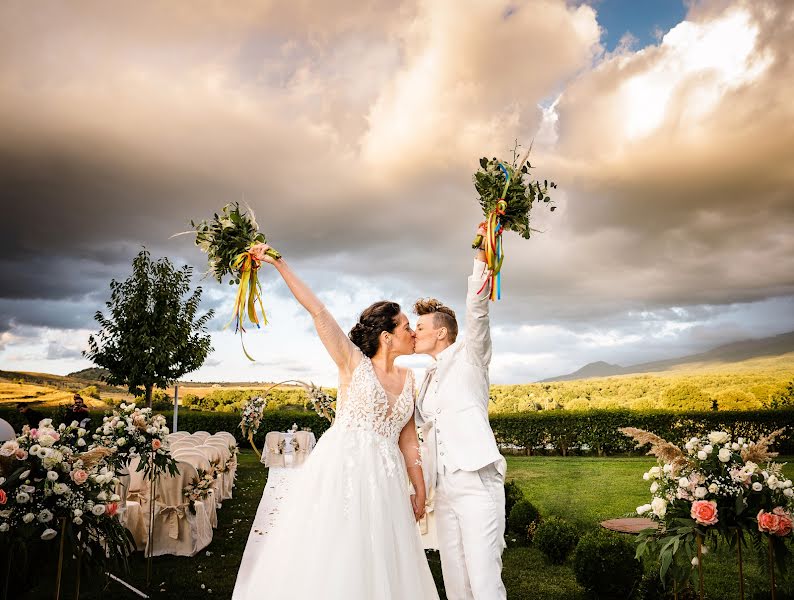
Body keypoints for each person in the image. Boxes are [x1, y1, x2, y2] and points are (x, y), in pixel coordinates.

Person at [234, 244, 439, 600]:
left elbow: (409, 441)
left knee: (382, 555)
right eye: (407, 327)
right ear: (387, 336)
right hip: (343, 468)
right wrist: (278, 262)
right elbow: (317, 310)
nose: (413, 333)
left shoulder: (410, 379)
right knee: (337, 549)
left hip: (387, 477)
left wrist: (419, 488)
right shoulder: (352, 362)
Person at [413, 225, 507, 600]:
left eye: (420, 327)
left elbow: (477, 311)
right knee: (455, 581)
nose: (414, 332)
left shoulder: (471, 356)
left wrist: (480, 256)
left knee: (484, 580)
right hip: (444, 488)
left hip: (476, 480)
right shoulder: (425, 376)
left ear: (441, 333)